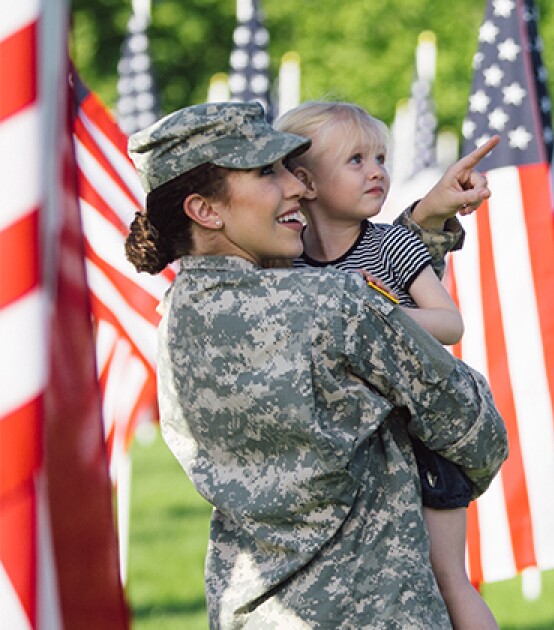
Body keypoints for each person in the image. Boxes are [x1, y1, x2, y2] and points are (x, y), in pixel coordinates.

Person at [125, 101, 507, 628]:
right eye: (266, 172)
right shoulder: (335, 305)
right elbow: (476, 429)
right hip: (375, 609)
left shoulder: (173, 321)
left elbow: (357, 269)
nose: (297, 187)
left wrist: (424, 223)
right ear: (205, 211)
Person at [274, 101, 496, 629]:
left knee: (446, 578)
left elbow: (450, 322)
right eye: (356, 160)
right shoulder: (287, 262)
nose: (377, 170)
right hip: (349, 453)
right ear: (304, 180)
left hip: (421, 443)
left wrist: (376, 315)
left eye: (380, 157)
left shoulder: (390, 244)